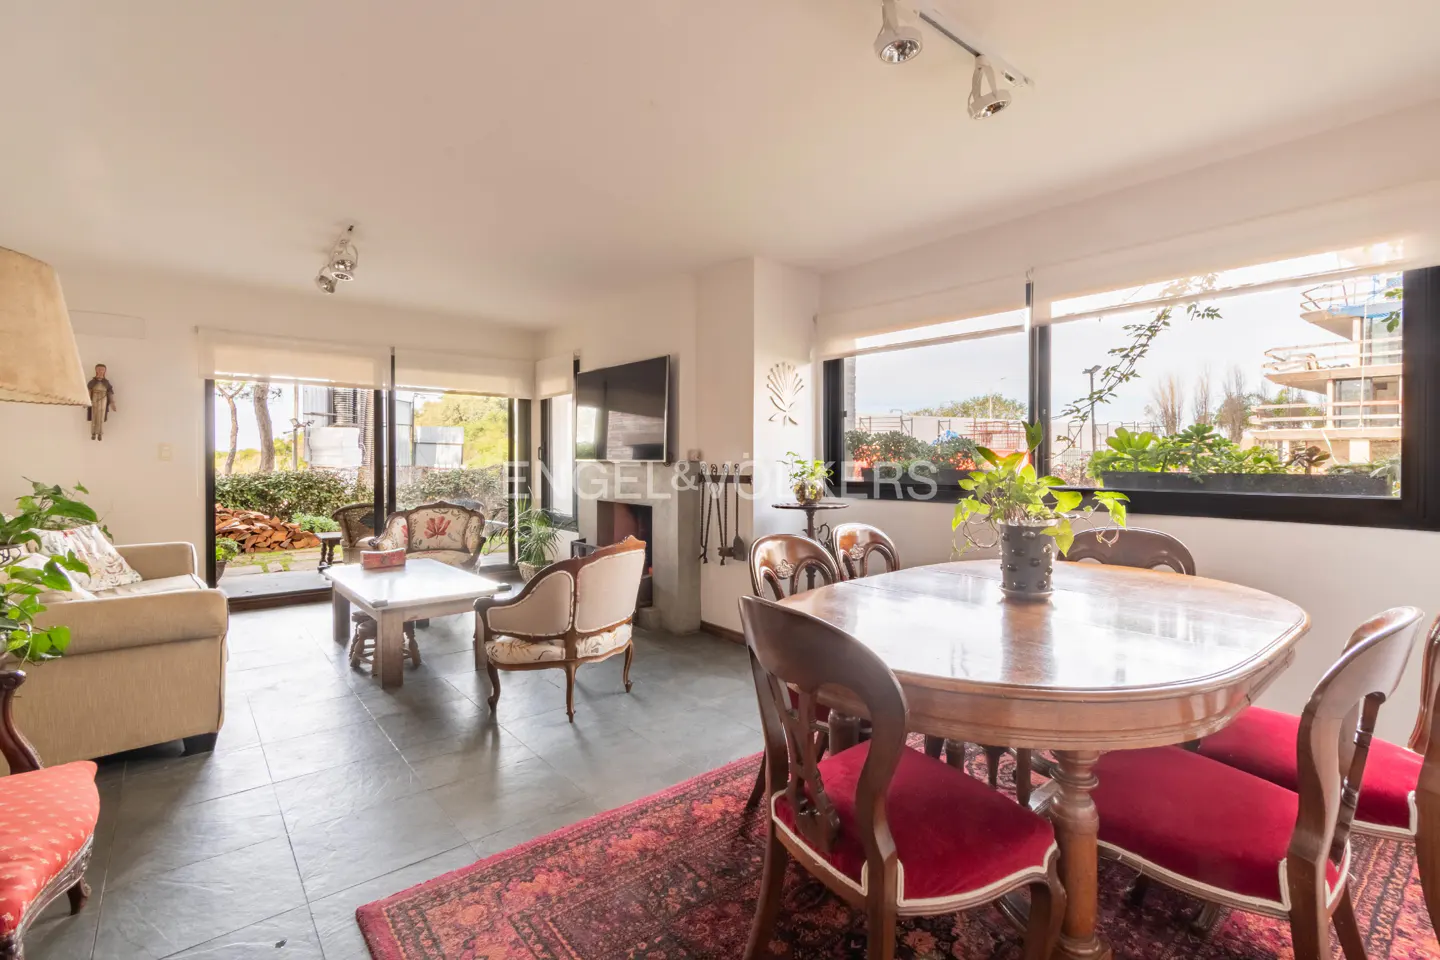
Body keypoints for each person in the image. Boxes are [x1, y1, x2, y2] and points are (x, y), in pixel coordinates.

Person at [86, 363, 116, 440]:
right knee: (94, 415)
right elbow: (89, 391)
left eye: (102, 369)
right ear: (96, 370)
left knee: (101, 416)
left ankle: (100, 433)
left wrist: (112, 403)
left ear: (105, 371)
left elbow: (110, 392)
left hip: (103, 398)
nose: (100, 371)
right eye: (99, 369)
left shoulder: (106, 382)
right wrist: (87, 401)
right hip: (94, 398)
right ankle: (93, 433)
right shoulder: (92, 382)